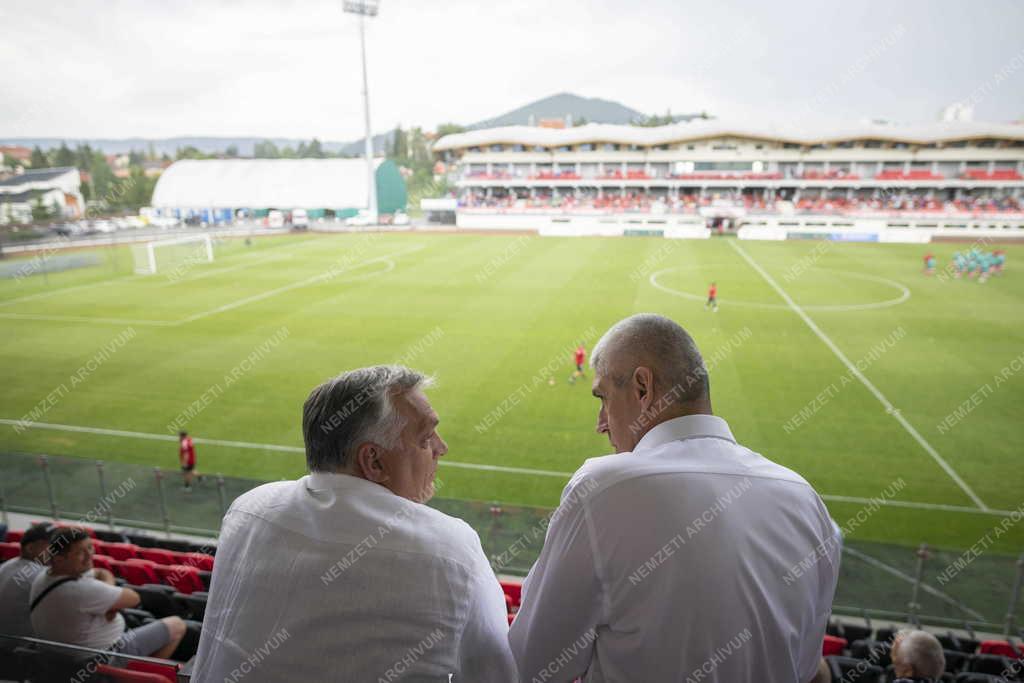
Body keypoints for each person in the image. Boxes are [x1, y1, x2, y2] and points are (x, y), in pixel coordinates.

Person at [509, 314, 840, 682]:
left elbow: (530, 667)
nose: (601, 422)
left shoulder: (604, 489)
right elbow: (806, 667)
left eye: (603, 397)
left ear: (642, 388)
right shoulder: (805, 500)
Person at [192, 365, 516, 682]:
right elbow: (500, 674)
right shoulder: (452, 547)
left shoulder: (247, 509)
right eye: (426, 437)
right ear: (373, 461)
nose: (441, 448)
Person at [29, 527, 186, 657]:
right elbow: (133, 598)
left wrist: (111, 604)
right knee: (177, 625)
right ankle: (142, 672)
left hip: (62, 657)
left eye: (90, 548)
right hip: (102, 658)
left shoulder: (43, 577)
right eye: (80, 552)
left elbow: (101, 572)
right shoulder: (80, 590)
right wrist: (111, 600)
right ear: (59, 559)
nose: (90, 555)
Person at [0, 523, 53, 637]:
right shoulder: (40, 574)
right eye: (52, 544)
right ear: (30, 548)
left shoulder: (8, 564)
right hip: (17, 647)